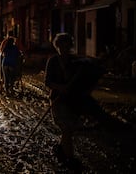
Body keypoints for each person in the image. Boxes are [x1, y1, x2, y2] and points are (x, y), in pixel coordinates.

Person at [45, 32, 109, 170]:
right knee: (66, 128)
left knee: (68, 130)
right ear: (57, 46)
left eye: (67, 45)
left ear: (70, 46)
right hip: (57, 100)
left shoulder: (77, 62)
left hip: (72, 101)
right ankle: (70, 159)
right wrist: (60, 87)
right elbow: (47, 81)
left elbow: (88, 75)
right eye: (61, 45)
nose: (64, 48)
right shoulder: (53, 61)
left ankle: (61, 150)